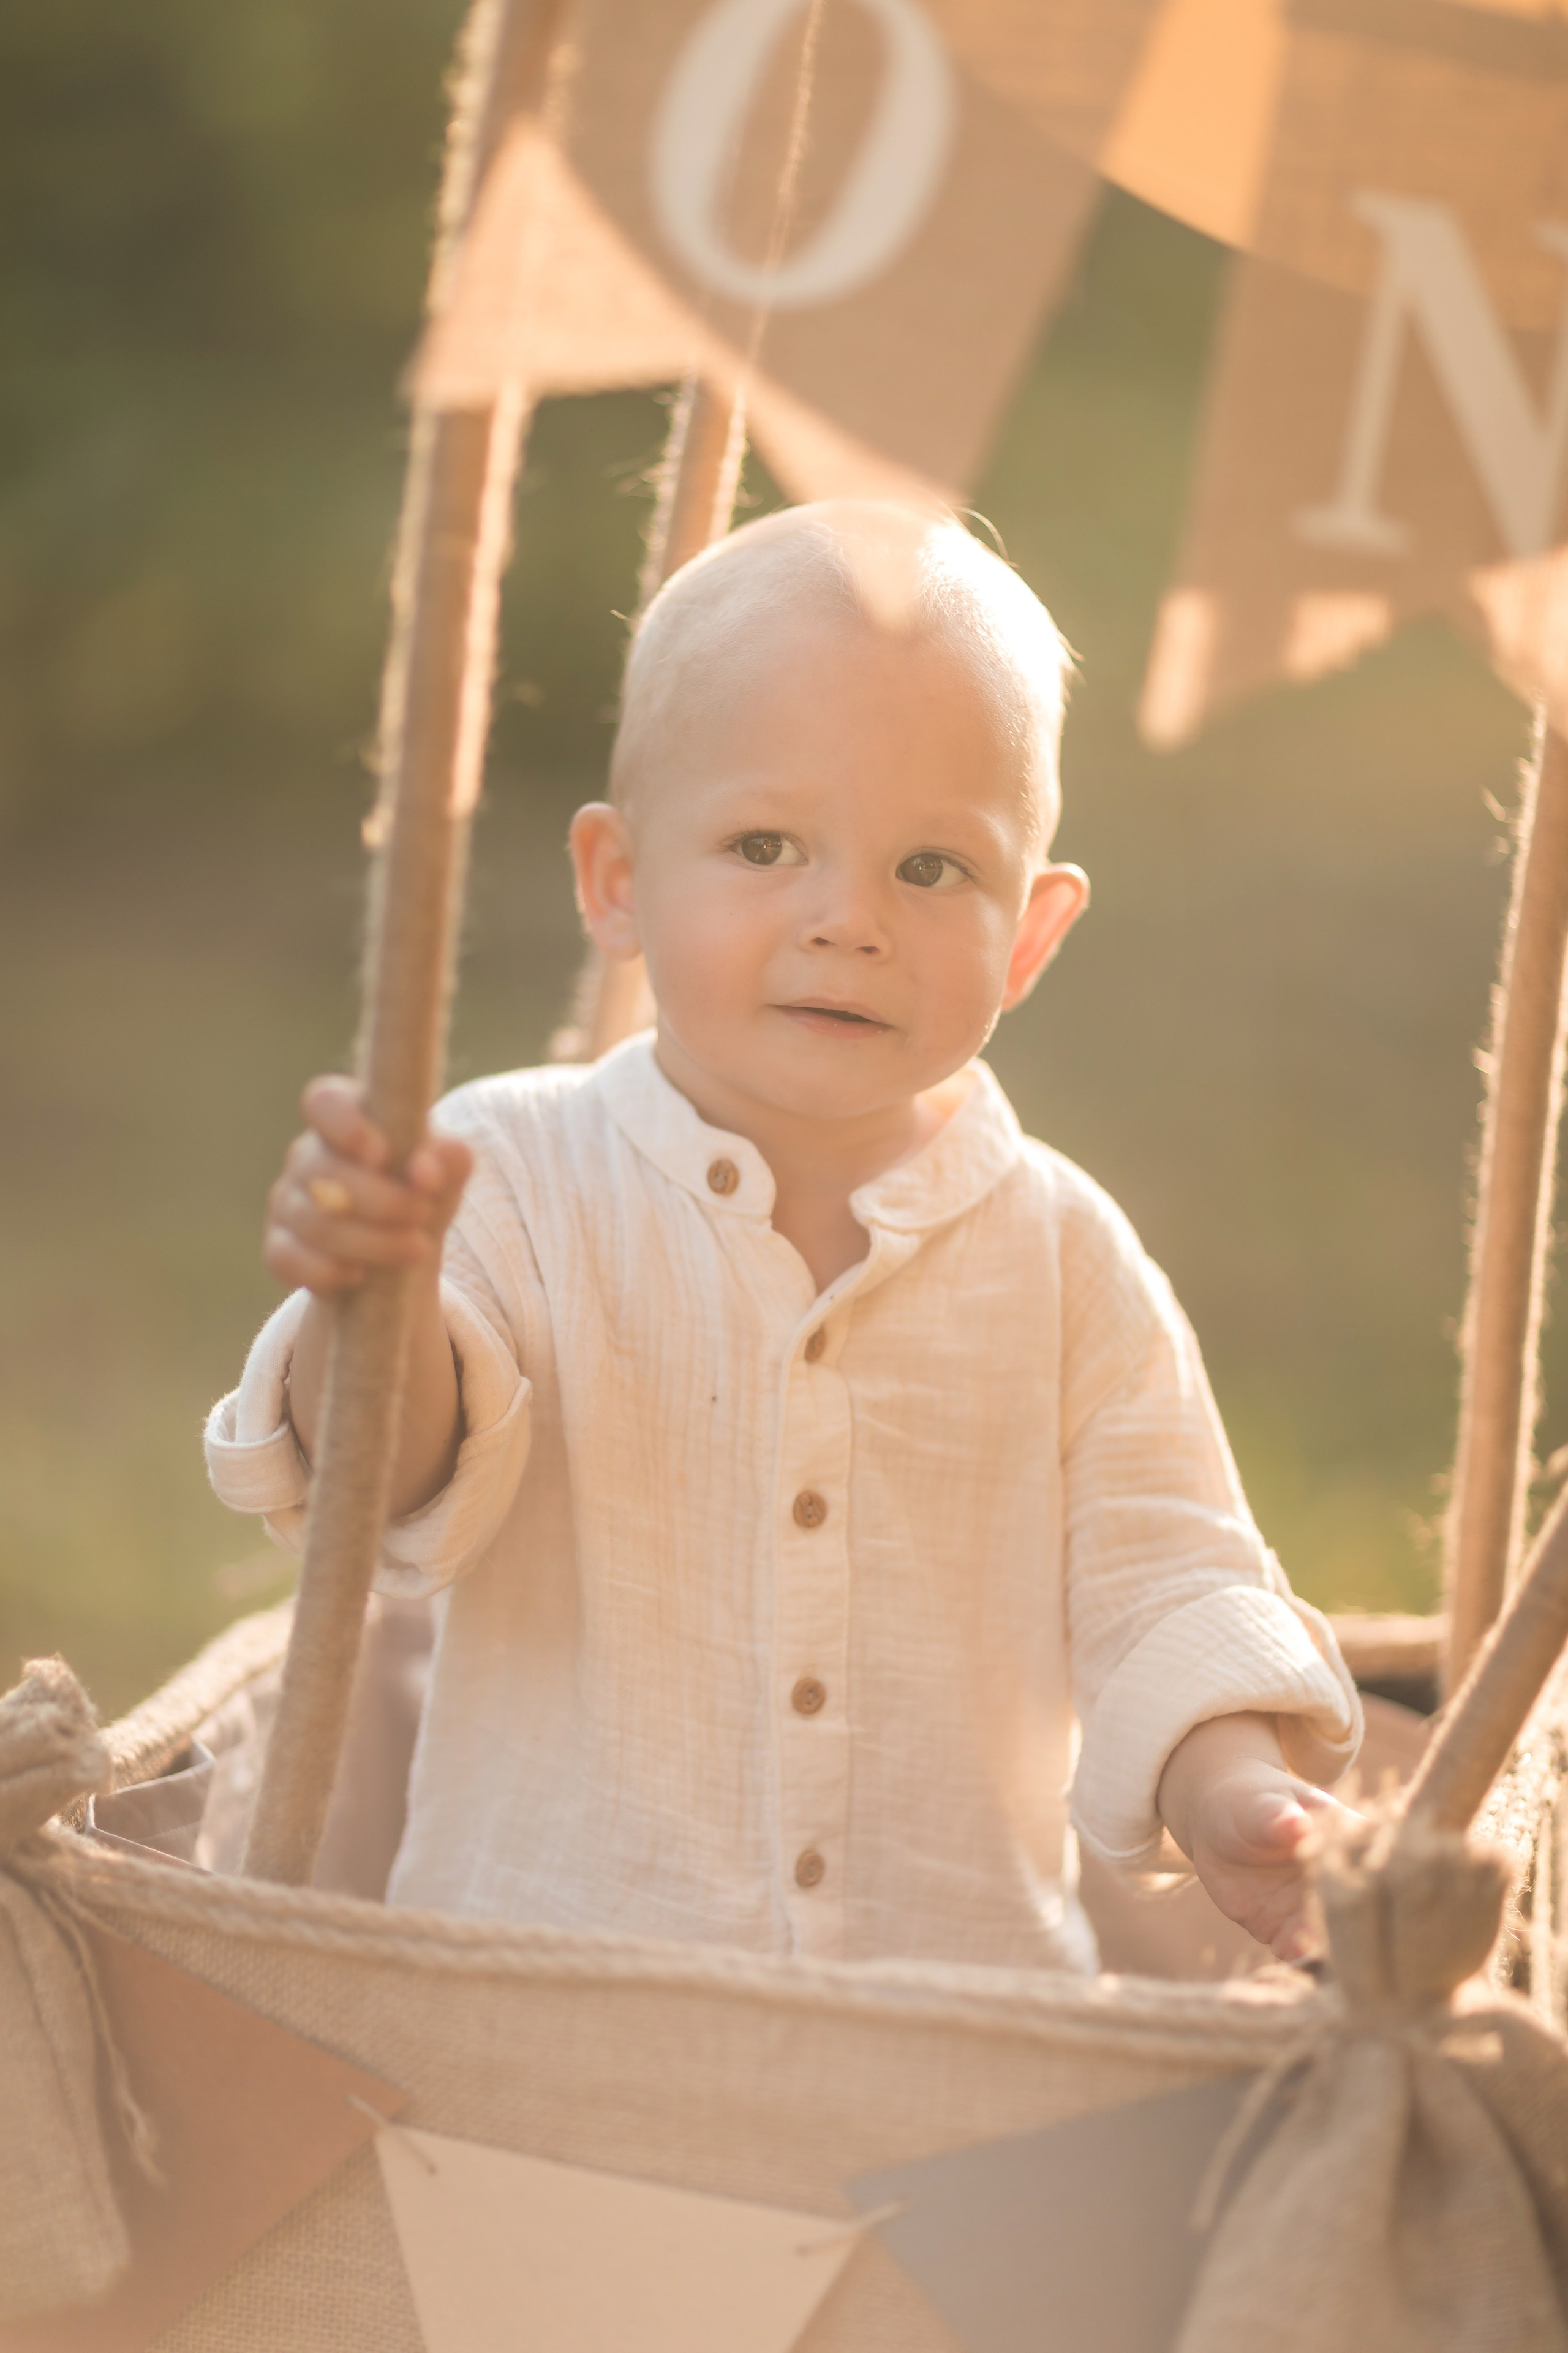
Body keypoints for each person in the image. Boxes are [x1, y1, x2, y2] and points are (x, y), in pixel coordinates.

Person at [206, 500, 1360, 1971]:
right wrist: (376, 1300)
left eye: (930, 869)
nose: (846, 920)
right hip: (531, 2028)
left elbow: (1166, 1579)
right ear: (617, 882)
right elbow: (394, 1488)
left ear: (1030, 932)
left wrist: (1234, 1791)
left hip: (949, 2042)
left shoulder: (1063, 1256)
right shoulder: (509, 1169)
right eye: (765, 844)